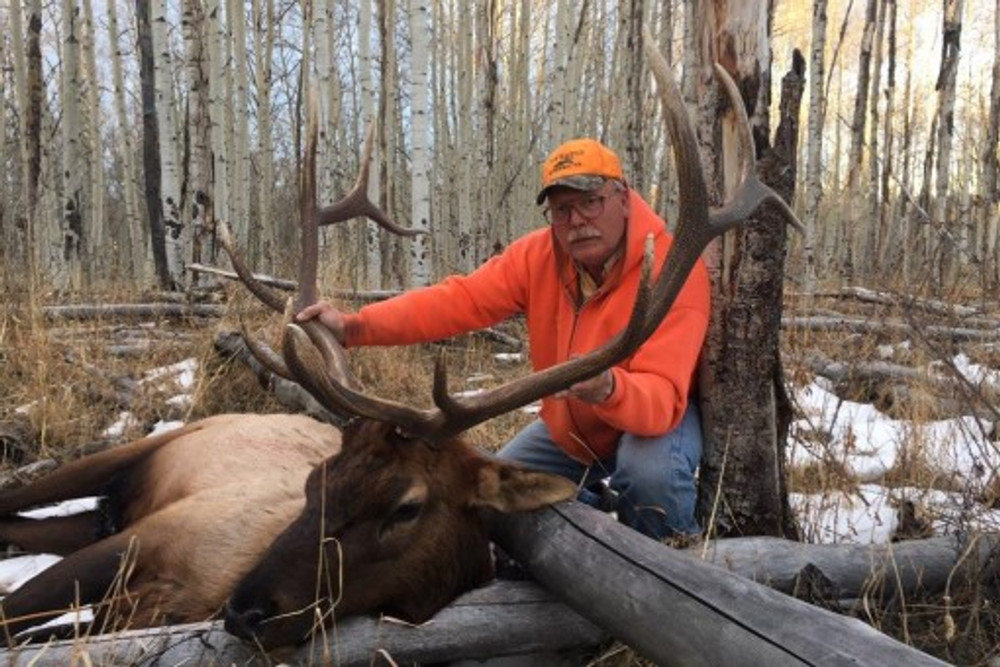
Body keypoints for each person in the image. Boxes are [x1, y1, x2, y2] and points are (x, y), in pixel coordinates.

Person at [297, 138, 710, 541]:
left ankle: (678, 569)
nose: (578, 221)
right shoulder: (539, 257)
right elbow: (459, 300)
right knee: (488, 497)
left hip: (651, 419)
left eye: (591, 201)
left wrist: (609, 388)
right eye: (563, 210)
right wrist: (354, 328)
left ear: (623, 197)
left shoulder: (674, 271)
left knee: (650, 478)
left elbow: (660, 401)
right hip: (571, 430)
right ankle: (593, 518)